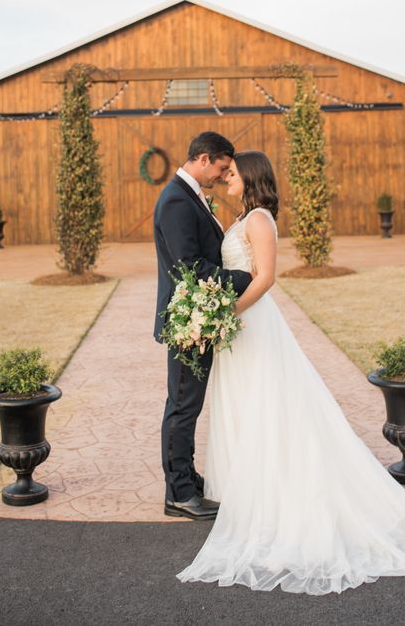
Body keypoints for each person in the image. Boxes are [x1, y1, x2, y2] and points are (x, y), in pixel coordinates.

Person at [177, 150, 405, 594]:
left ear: (250, 178)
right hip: (240, 328)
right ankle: (252, 494)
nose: (226, 178)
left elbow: (265, 278)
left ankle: (282, 498)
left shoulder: (259, 220)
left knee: (268, 405)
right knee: (246, 406)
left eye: (232, 173)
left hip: (251, 323)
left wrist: (225, 313)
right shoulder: (245, 216)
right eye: (224, 171)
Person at [153, 132, 253, 520]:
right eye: (223, 168)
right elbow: (189, 269)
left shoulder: (188, 195)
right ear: (205, 159)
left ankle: (186, 479)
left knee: (188, 406)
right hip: (187, 321)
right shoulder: (177, 200)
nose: (223, 176)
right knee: (182, 407)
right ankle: (178, 494)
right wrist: (246, 278)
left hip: (199, 316)